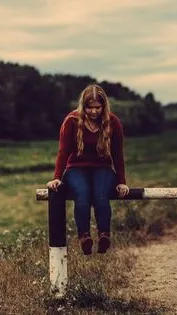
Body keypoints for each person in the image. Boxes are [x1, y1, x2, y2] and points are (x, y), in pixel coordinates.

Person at [46, 84, 129, 255]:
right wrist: (57, 177)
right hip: (76, 168)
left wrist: (121, 182)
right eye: (90, 108)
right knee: (82, 193)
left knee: (100, 194)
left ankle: (104, 235)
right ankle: (84, 237)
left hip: (103, 168)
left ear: (104, 106)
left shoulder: (113, 122)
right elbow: (63, 151)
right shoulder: (71, 121)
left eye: (97, 108)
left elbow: (118, 155)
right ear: (84, 106)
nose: (93, 112)